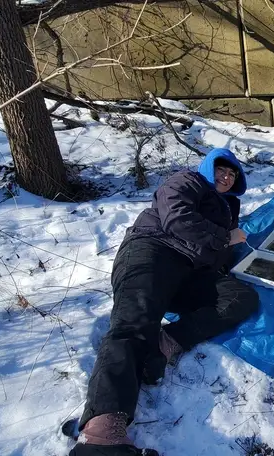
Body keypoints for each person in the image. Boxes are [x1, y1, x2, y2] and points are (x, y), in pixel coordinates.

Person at [70, 148, 259, 456]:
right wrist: (224, 237)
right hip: (153, 252)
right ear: (208, 168)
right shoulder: (187, 181)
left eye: (232, 174)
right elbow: (177, 218)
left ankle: (166, 342)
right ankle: (102, 432)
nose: (225, 177)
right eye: (221, 170)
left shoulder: (228, 207)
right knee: (134, 323)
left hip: (189, 272)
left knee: (241, 296)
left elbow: (214, 253)